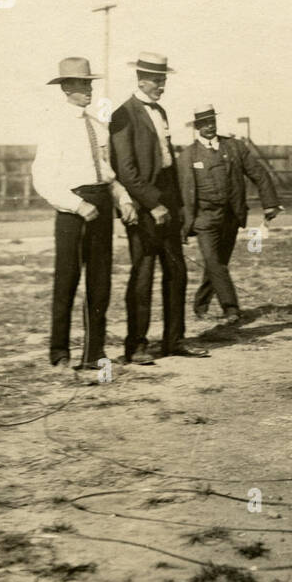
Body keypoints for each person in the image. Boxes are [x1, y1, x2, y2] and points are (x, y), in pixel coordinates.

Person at [32, 57, 135, 372]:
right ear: (65, 87)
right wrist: (77, 206)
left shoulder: (97, 126)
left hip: (102, 206)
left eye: (89, 82)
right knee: (67, 281)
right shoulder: (54, 126)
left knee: (100, 282)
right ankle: (60, 352)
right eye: (80, 83)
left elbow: (107, 173)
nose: (88, 89)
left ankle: (94, 352)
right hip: (73, 208)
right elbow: (42, 178)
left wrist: (124, 199)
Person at [109, 52, 209, 364]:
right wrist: (153, 205)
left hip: (167, 200)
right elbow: (126, 171)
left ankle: (174, 340)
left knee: (176, 272)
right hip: (143, 205)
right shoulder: (122, 115)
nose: (161, 86)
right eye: (156, 80)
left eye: (164, 79)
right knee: (143, 273)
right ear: (140, 79)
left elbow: (166, 162)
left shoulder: (161, 111)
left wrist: (177, 209)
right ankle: (136, 346)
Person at [177, 104, 283, 323]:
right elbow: (181, 192)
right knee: (214, 262)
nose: (209, 126)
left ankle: (201, 304)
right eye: (204, 123)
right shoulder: (188, 155)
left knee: (217, 262)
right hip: (204, 219)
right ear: (197, 126)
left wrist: (270, 204)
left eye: (212, 122)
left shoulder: (234, 147)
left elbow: (259, 173)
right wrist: (182, 224)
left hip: (231, 217)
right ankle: (231, 308)